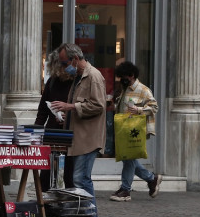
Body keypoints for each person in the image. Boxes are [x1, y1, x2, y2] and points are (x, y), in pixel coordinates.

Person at [50, 43, 106, 203]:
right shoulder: (78, 78)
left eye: (64, 63)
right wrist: (64, 114)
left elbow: (98, 106)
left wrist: (71, 106)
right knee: (78, 180)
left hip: (88, 140)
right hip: (78, 139)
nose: (63, 67)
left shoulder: (93, 77)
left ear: (75, 59)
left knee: (81, 179)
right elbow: (79, 107)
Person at [109, 61, 162, 202]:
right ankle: (152, 179)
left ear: (131, 75)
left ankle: (125, 189)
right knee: (128, 158)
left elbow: (155, 107)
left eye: (124, 77)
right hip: (124, 129)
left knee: (129, 159)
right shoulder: (124, 88)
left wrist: (139, 110)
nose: (122, 80)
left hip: (136, 130)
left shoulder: (143, 90)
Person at [35, 50, 75, 190]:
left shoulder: (77, 81)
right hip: (52, 132)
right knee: (46, 171)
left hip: (71, 132)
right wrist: (35, 132)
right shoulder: (52, 81)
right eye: (60, 66)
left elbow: (84, 106)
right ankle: (44, 201)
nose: (63, 69)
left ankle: (70, 201)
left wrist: (69, 116)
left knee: (70, 173)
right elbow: (42, 110)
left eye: (65, 65)